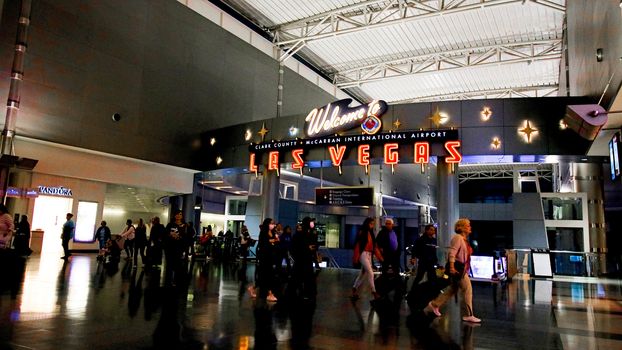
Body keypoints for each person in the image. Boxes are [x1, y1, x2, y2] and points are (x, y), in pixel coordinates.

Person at [424, 218, 481, 323]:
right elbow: (452, 253)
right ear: (462, 228)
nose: (470, 227)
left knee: (453, 289)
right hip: (458, 269)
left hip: (461, 269)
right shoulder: (458, 238)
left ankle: (434, 304)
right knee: (468, 289)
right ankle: (470, 315)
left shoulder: (463, 239)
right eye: (468, 226)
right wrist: (451, 267)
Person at [351, 217, 383, 300]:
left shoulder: (370, 233)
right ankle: (374, 292)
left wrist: (380, 258)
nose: (372, 225)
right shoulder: (363, 233)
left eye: (373, 224)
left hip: (368, 255)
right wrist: (356, 257)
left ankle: (354, 289)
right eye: (371, 224)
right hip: (363, 254)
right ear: (367, 224)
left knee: (363, 273)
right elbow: (358, 246)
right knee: (370, 273)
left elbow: (374, 247)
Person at [291, 218, 317, 299]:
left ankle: (305, 292)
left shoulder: (310, 234)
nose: (312, 223)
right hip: (301, 259)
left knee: (305, 277)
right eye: (310, 222)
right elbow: (296, 247)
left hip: (307, 259)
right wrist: (307, 248)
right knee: (299, 277)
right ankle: (301, 292)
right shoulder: (300, 235)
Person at [254, 218, 278, 302]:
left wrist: (274, 240)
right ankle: (269, 293)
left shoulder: (273, 232)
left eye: (273, 223)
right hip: (264, 257)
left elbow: (275, 242)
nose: (273, 225)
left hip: (271, 256)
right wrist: (272, 241)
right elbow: (263, 243)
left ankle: (253, 288)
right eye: (271, 223)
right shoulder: (263, 233)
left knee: (265, 275)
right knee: (267, 275)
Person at [164, 210, 187, 286]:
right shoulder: (170, 224)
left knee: (177, 265)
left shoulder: (185, 225)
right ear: (174, 215)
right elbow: (165, 233)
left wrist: (179, 237)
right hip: (169, 248)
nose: (178, 215)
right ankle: (168, 281)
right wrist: (170, 234)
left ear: (182, 216)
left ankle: (176, 281)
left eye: (180, 214)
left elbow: (186, 237)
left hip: (179, 248)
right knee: (169, 265)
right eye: (177, 214)